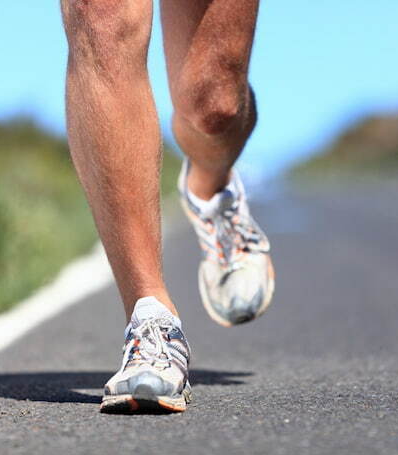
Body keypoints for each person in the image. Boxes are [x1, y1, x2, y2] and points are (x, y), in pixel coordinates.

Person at [60, 0, 274, 413]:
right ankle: (149, 319)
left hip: (214, 117)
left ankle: (211, 190)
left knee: (214, 105)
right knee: (100, 18)